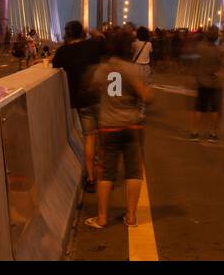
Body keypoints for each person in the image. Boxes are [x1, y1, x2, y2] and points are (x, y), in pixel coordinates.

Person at [85, 30, 151, 229]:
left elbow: (93, 89)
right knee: (133, 171)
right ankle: (131, 216)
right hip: (131, 125)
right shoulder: (133, 70)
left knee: (106, 173)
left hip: (108, 127)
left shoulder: (102, 69)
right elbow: (146, 96)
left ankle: (102, 218)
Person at [50, 20, 107, 192]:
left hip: (81, 101)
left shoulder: (63, 52)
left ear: (67, 34)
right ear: (82, 33)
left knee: (89, 138)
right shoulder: (93, 45)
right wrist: (93, 31)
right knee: (103, 138)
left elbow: (54, 64)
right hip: (99, 98)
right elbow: (103, 39)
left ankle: (90, 178)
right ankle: (106, 178)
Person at [190, 27, 224, 141]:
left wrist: (195, 76)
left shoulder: (200, 48)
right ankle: (213, 134)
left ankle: (195, 132)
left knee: (199, 108)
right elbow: (223, 66)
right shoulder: (219, 50)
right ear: (216, 37)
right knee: (215, 109)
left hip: (202, 82)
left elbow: (194, 63)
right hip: (215, 83)